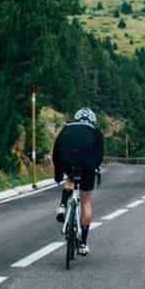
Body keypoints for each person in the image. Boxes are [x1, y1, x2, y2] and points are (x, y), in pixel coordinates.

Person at [51, 107, 104, 256]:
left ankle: (62, 206)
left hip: (67, 159)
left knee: (70, 179)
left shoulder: (67, 127)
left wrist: (58, 173)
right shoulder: (95, 131)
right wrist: (95, 167)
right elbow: (99, 154)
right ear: (92, 120)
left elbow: (56, 150)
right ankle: (83, 244)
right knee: (86, 201)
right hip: (87, 163)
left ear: (76, 118)